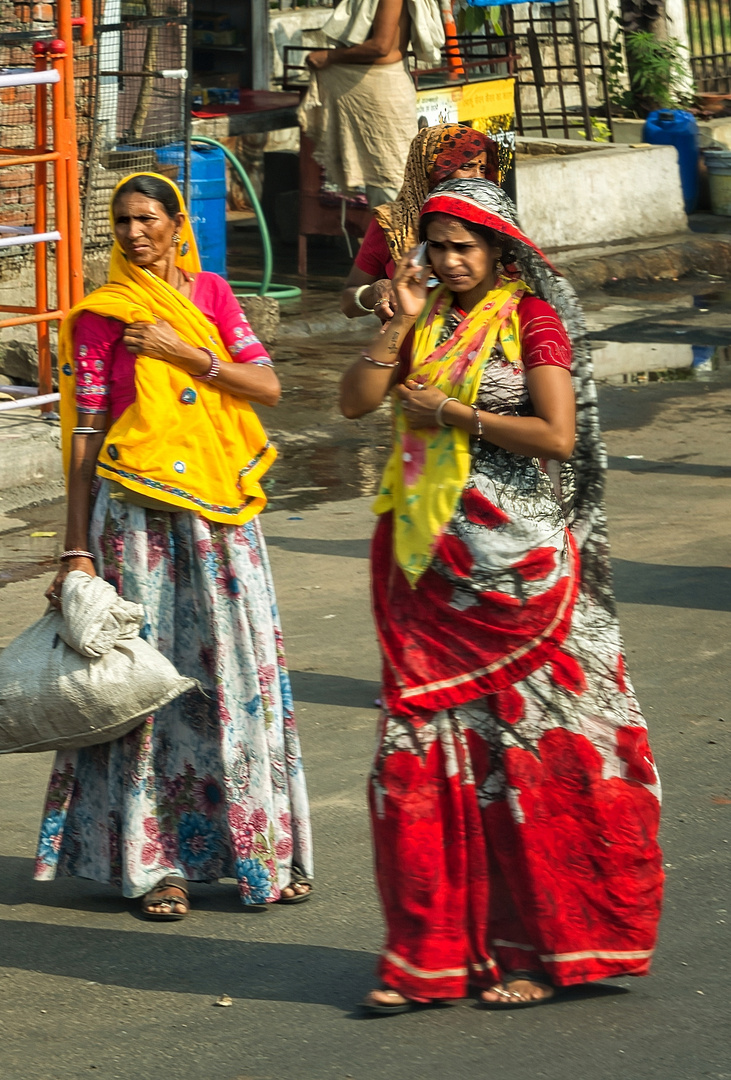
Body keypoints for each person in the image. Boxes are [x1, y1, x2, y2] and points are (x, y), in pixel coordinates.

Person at [337, 179, 663, 1014]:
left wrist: (452, 413)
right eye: (436, 246)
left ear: (499, 253)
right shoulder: (427, 316)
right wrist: (398, 320)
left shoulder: (531, 321)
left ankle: (538, 949)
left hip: (516, 572)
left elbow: (555, 434)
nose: (447, 261)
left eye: (462, 248)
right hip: (423, 563)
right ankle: (424, 958)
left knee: (522, 761)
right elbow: (355, 403)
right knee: (416, 761)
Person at [36, 172, 313, 921]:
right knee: (141, 687)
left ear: (176, 223)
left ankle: (258, 851)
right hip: (137, 525)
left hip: (220, 519)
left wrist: (189, 355)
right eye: (121, 222)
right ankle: (155, 865)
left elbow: (266, 385)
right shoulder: (103, 317)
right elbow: (84, 433)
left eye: (147, 218)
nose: (133, 234)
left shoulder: (211, 297)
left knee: (231, 677)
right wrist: (73, 549)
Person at [341, 123, 503, 320]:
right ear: (431, 168)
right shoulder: (393, 224)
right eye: (467, 166)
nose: (478, 178)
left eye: (483, 168)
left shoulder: (492, 219)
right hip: (407, 345)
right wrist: (376, 291)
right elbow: (348, 303)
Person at [300, 0, 445, 207]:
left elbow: (380, 46)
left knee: (391, 180)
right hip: (373, 92)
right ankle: (389, 236)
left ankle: (400, 237)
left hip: (383, 91)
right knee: (380, 181)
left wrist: (330, 56)